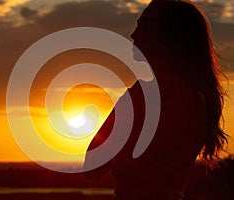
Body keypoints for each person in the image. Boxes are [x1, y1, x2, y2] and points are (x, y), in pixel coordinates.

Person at [83, 0, 229, 199]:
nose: (135, 34)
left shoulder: (188, 100)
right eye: (138, 25)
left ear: (173, 35)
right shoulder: (139, 94)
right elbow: (92, 167)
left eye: (147, 26)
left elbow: (129, 165)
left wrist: (133, 105)